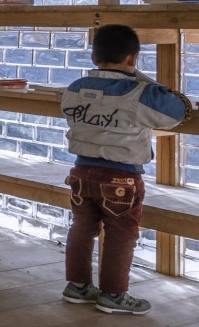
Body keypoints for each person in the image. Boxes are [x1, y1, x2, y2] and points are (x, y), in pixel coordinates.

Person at [60, 24, 192, 315]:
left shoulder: (75, 88)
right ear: (133, 58)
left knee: (81, 228)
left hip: (81, 171)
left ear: (94, 57)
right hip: (122, 177)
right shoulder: (141, 93)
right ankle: (113, 294)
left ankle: (77, 286)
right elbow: (178, 111)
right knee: (121, 234)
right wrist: (141, 77)